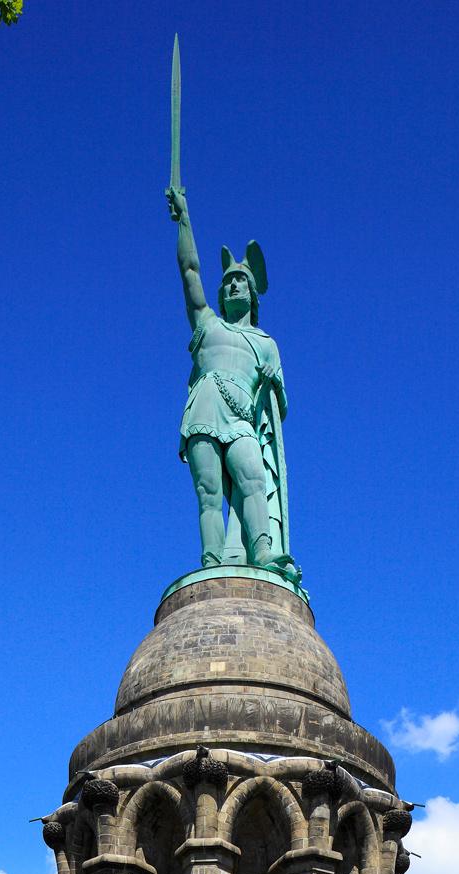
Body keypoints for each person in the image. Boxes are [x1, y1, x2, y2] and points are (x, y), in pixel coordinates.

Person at [165, 185, 299, 583]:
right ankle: (212, 564)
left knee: (253, 480)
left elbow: (279, 410)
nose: (233, 286)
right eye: (228, 283)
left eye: (241, 282)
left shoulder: (266, 345)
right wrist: (184, 220)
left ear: (253, 295)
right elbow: (189, 271)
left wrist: (276, 389)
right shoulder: (206, 324)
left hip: (241, 419)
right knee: (208, 492)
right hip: (205, 408)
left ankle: (263, 553)